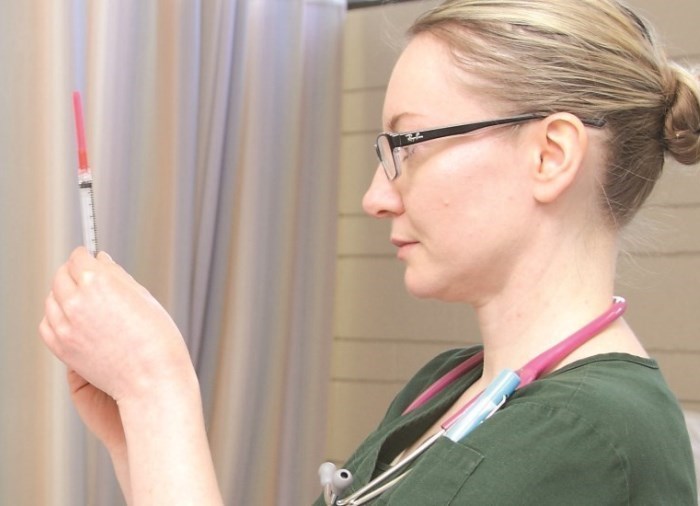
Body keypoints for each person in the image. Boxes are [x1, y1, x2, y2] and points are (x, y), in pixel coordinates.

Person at [40, 0, 699, 504]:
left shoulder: (590, 438)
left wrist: (158, 388)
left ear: (550, 155)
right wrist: (141, 431)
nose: (375, 197)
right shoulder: (448, 385)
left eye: (405, 146)